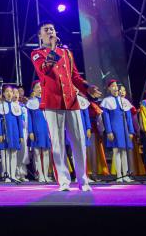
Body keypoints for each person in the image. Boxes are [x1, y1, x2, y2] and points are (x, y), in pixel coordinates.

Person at [30, 21, 101, 192]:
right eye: (46, 30)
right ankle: (63, 180)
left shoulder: (67, 53)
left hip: (71, 101)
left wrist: (87, 87)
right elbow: (44, 70)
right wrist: (54, 49)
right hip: (52, 102)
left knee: (79, 141)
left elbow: (74, 76)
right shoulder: (37, 54)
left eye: (52, 29)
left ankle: (83, 180)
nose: (50, 32)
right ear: (40, 36)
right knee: (58, 143)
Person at [101, 79, 135, 183]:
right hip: (115, 128)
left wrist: (131, 131)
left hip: (124, 128)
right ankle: (119, 175)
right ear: (109, 88)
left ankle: (125, 174)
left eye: (116, 86)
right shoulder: (107, 101)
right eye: (113, 86)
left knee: (124, 152)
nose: (116, 88)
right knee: (116, 151)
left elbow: (129, 117)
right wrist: (109, 131)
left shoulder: (124, 101)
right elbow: (106, 118)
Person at [0, 85, 24, 182]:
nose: (9, 93)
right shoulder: (0, 106)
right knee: (5, 154)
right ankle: (6, 174)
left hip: (14, 133)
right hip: (4, 132)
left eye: (11, 91)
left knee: (14, 154)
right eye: (7, 91)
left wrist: (21, 135)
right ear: (3, 93)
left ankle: (13, 174)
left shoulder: (17, 106)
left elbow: (20, 122)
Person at [27, 81, 52, 183]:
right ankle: (40, 174)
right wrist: (30, 131)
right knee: (37, 153)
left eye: (41, 87)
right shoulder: (31, 103)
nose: (40, 89)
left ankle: (46, 175)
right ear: (33, 90)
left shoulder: (48, 101)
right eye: (37, 87)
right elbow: (29, 119)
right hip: (36, 130)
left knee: (46, 153)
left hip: (46, 130)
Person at [12, 88, 30, 181]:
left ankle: (22, 173)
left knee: (23, 152)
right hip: (14, 132)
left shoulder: (23, 107)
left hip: (23, 132)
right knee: (15, 153)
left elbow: (26, 121)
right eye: (13, 93)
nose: (15, 94)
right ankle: (14, 173)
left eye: (17, 93)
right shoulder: (9, 106)